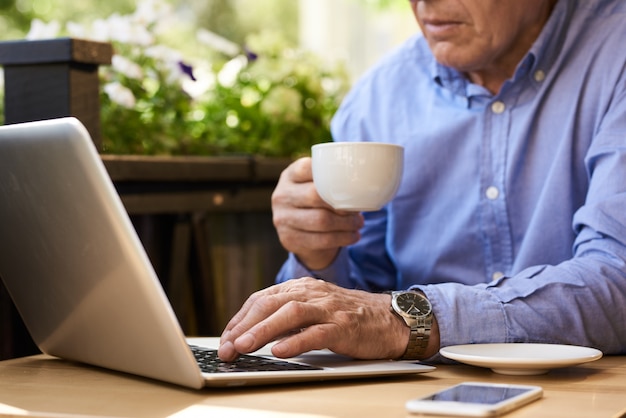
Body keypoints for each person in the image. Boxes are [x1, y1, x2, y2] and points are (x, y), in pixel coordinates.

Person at [218, 0, 626, 363]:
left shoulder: (615, 51)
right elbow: (356, 304)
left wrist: (406, 320)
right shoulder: (377, 98)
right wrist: (318, 254)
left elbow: (617, 278)